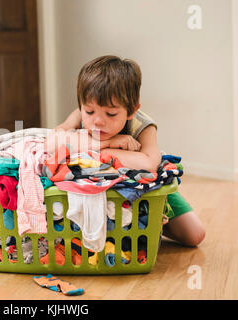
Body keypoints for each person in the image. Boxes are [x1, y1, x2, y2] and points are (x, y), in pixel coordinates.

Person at [53, 55, 205, 247]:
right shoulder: (80, 115)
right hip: (97, 185)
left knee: (195, 234)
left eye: (111, 113)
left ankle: (153, 222)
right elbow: (54, 140)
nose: (97, 121)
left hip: (145, 188)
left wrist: (97, 149)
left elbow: (149, 164)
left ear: (132, 110)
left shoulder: (142, 126)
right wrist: (111, 143)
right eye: (90, 111)